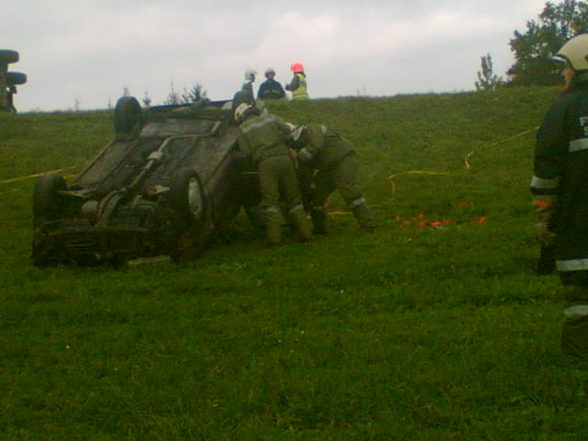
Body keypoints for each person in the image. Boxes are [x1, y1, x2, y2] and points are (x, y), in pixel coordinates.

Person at [531, 33, 588, 361]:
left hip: (578, 222)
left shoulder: (564, 108)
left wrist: (543, 212)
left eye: (565, 68)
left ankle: (579, 356)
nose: (563, 75)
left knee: (581, 295)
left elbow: (547, 167)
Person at [235, 102, 312, 245]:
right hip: (285, 160)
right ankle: (306, 234)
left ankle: (275, 239)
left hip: (266, 164)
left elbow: (246, 152)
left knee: (270, 201)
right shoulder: (272, 118)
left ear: (241, 117)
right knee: (294, 197)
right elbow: (288, 131)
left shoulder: (242, 129)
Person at [290, 124, 374, 234]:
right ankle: (319, 228)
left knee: (350, 193)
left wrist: (298, 156)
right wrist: (307, 189)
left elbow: (316, 145)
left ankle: (367, 225)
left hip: (343, 160)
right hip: (327, 169)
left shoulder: (313, 130)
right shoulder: (301, 152)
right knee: (316, 196)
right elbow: (305, 174)